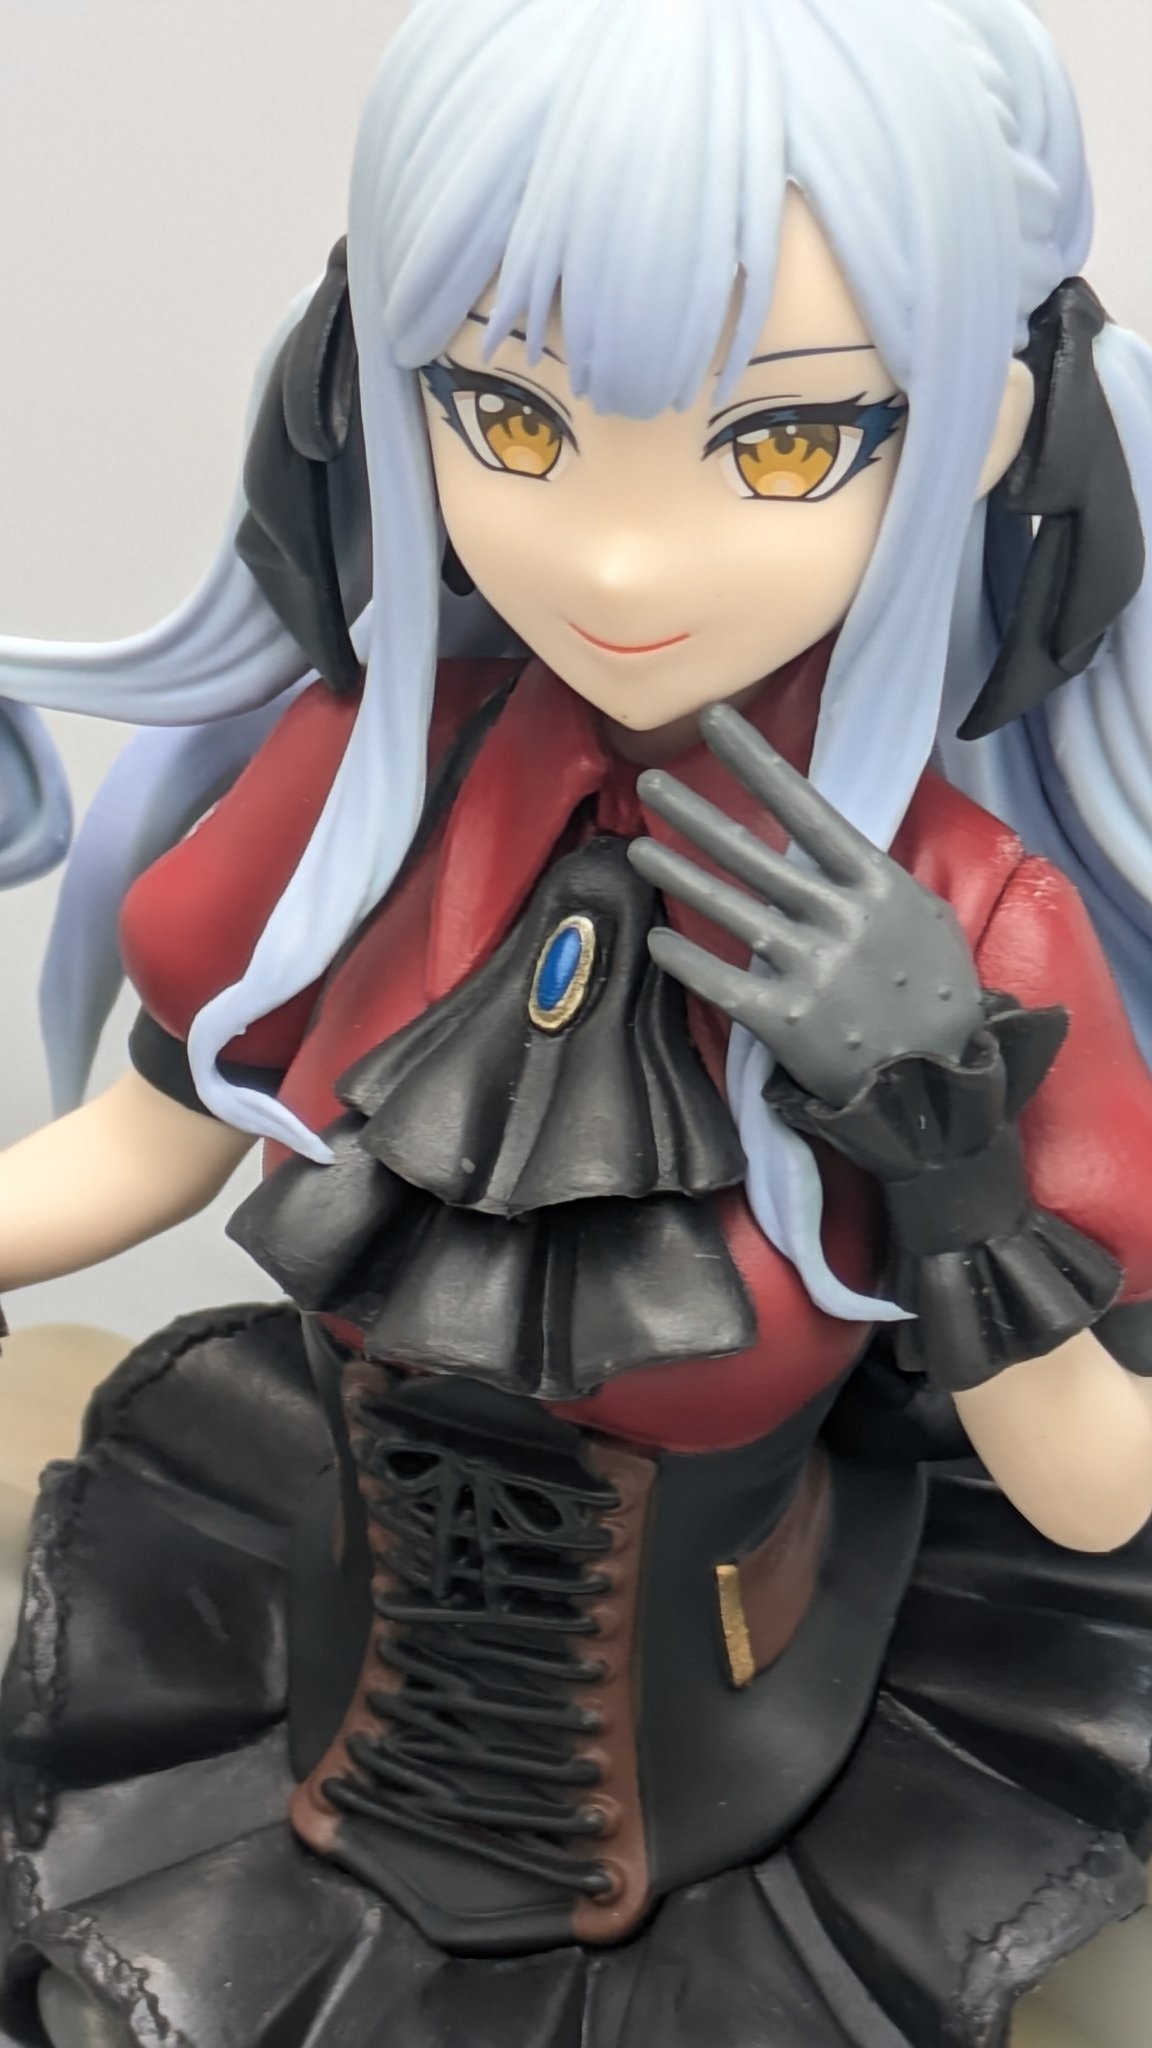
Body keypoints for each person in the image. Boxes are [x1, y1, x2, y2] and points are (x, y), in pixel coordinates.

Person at [2, 0, 1152, 2041]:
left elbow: (1097, 1492)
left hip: (757, 1759)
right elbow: (150, 1140)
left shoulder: (973, 920)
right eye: (512, 418)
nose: (620, 557)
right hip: (322, 1682)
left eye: (784, 442)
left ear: (982, 427)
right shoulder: (366, 790)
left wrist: (947, 1156)